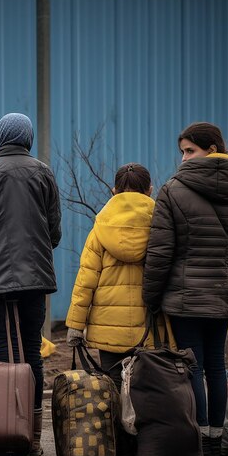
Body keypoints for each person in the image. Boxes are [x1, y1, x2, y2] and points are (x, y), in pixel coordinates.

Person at [0, 112, 62, 456]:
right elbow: (54, 232)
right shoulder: (43, 172)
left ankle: (4, 429)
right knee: (32, 350)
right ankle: (31, 436)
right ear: (28, 138)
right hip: (35, 277)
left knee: (2, 351)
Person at [142, 122, 228, 456]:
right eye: (182, 151)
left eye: (190, 150)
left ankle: (197, 441)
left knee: (192, 368)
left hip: (185, 296)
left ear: (211, 148)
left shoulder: (173, 190)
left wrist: (151, 297)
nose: (183, 158)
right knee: (216, 367)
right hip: (222, 296)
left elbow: (161, 253)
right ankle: (214, 445)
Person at [66, 163, 155, 390]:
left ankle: (115, 425)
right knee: (146, 384)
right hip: (148, 326)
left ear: (114, 191)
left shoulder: (100, 229)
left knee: (113, 383)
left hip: (107, 325)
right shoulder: (160, 226)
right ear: (150, 190)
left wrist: (76, 325)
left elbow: (86, 280)